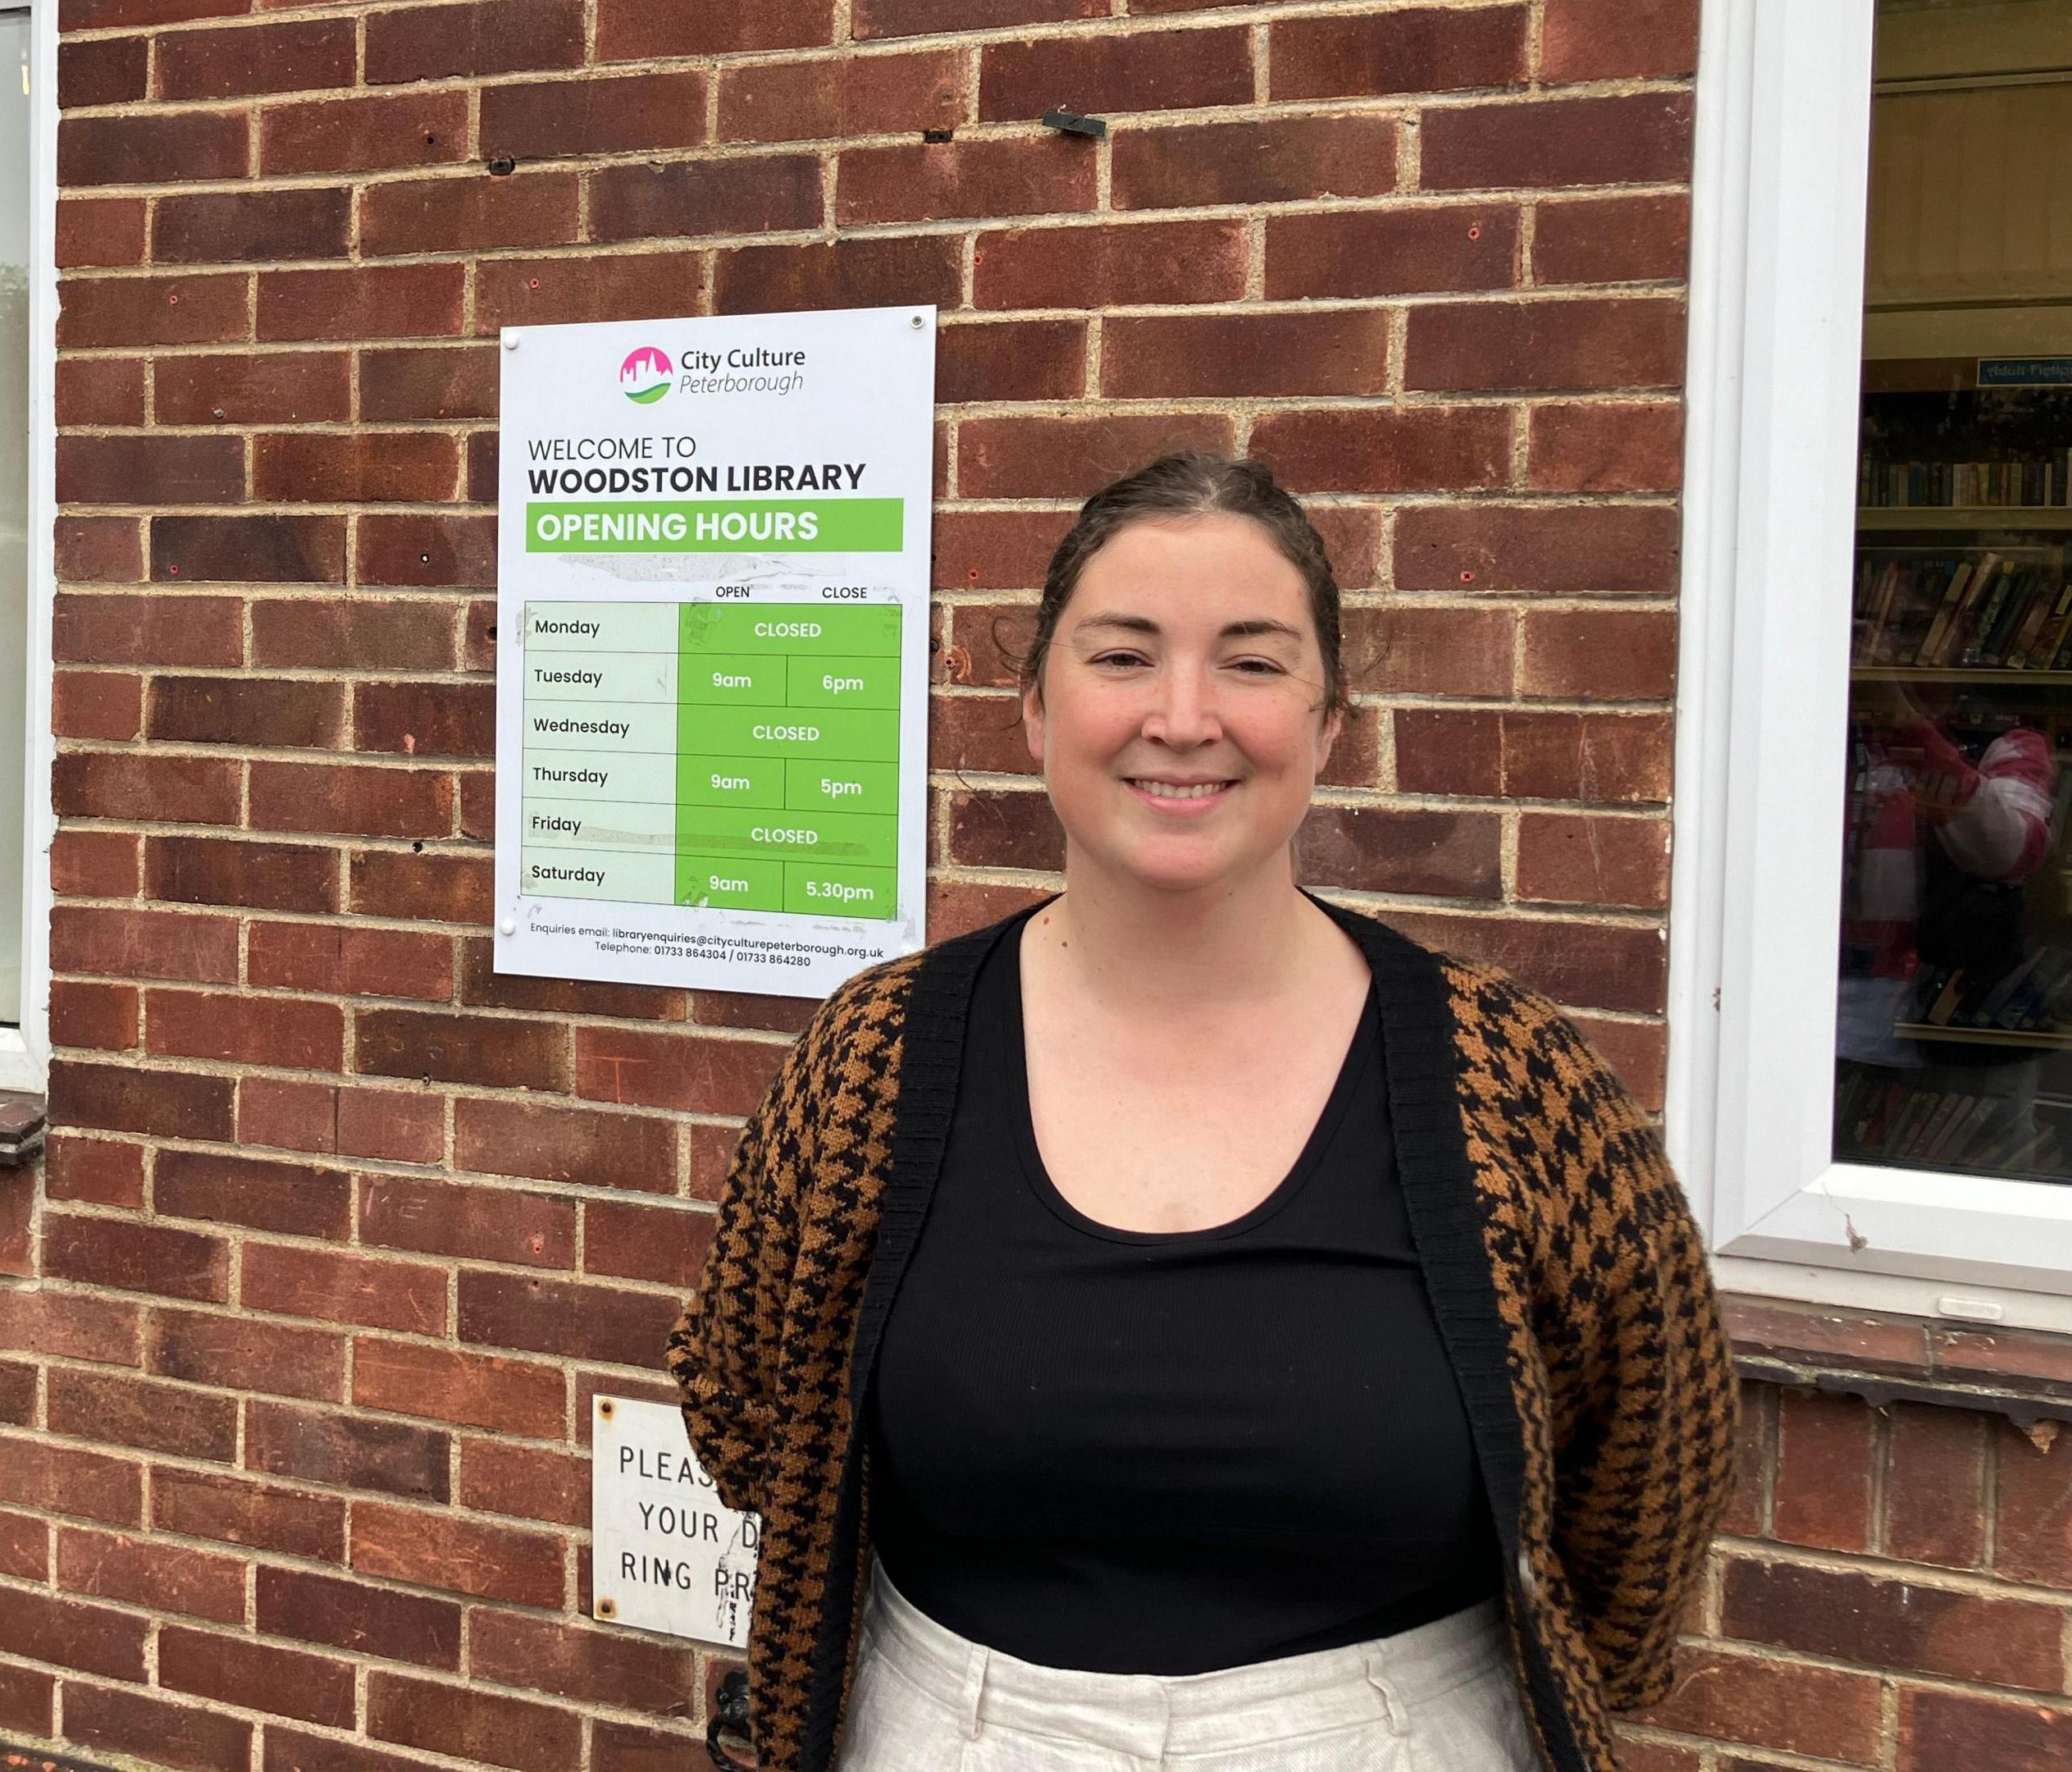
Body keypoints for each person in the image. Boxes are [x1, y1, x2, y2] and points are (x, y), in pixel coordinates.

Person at [667, 454, 1735, 1772]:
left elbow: (1648, 1490)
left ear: (1330, 721)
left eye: (1252, 660)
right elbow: (743, 1406)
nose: (1184, 715)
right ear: (1033, 711)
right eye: (1122, 657)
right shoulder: (872, 1059)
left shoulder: (1518, 1083)